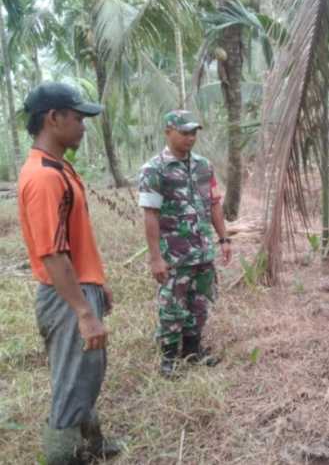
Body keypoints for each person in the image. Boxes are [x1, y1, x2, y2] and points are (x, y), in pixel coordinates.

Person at [18, 82, 121, 463]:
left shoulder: (59, 167)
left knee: (85, 375)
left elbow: (73, 243)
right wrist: (83, 311)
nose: (83, 126)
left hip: (79, 287)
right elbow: (53, 255)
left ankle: (92, 445)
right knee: (71, 386)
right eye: (78, 118)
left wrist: (97, 283)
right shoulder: (45, 177)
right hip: (66, 298)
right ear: (53, 118)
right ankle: (63, 456)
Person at [138, 110, 232, 378]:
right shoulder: (154, 169)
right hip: (174, 255)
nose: (190, 138)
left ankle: (192, 352)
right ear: (168, 132)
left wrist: (224, 238)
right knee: (172, 307)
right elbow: (150, 215)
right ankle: (168, 359)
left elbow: (214, 203)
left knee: (199, 303)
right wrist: (156, 257)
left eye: (194, 132)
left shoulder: (204, 166)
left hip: (203, 252)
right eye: (184, 132)